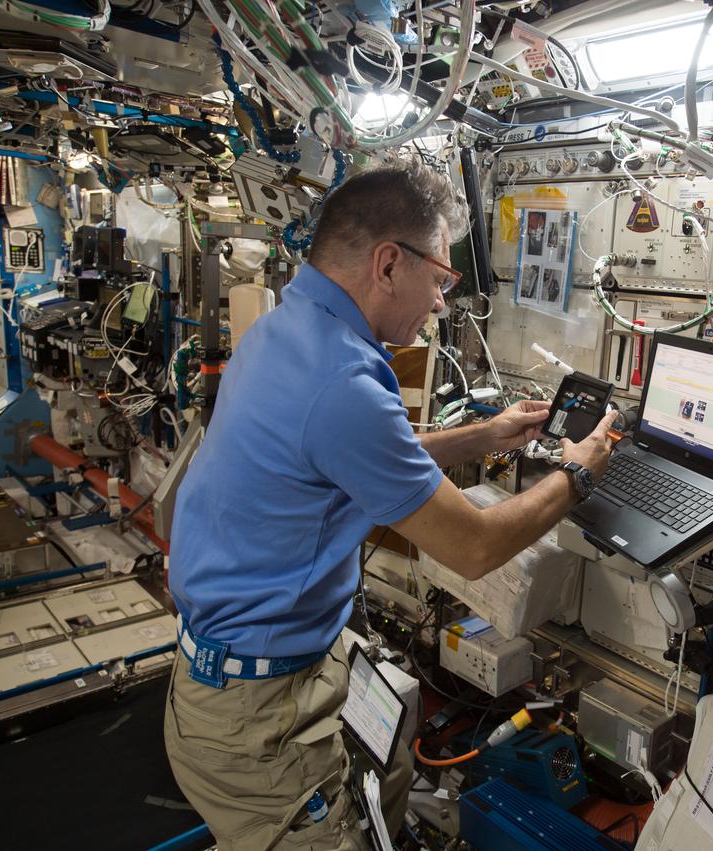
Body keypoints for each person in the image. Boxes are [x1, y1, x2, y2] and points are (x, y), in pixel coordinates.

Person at [164, 158, 616, 850]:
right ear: (387, 265)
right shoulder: (341, 380)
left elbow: (356, 452)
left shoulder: (290, 329)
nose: (439, 302)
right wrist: (577, 475)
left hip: (251, 662)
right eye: (438, 278)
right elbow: (476, 546)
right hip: (255, 715)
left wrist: (483, 434)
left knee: (390, 748)